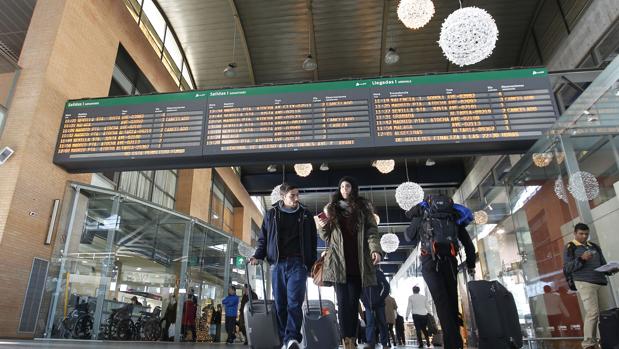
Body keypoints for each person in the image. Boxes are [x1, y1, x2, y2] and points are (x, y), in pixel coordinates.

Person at [316, 176, 383, 349]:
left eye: (348, 186)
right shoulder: (331, 209)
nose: (345, 189)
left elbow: (372, 231)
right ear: (339, 189)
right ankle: (347, 341)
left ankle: (351, 338)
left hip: (357, 263)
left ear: (353, 189)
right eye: (342, 186)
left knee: (353, 303)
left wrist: (375, 249)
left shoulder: (363, 209)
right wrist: (323, 225)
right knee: (342, 303)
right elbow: (326, 237)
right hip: (338, 263)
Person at [250, 183, 318, 349]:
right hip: (278, 265)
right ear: (282, 197)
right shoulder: (271, 214)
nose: (296, 199)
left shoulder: (306, 214)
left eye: (297, 195)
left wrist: (311, 264)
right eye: (292, 196)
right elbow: (263, 239)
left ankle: (292, 338)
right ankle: (284, 340)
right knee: (280, 304)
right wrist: (258, 255)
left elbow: (312, 241)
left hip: (298, 264)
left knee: (294, 302)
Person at [405, 195, 475, 349]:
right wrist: (471, 265)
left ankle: (454, 345)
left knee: (442, 303)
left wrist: (417, 221)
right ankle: (455, 344)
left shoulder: (423, 214)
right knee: (451, 303)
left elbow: (408, 237)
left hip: (430, 262)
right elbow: (469, 245)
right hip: (450, 261)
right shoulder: (452, 216)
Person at [563, 223, 616, 349]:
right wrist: (582, 259)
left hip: (600, 282)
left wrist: (611, 269)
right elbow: (567, 268)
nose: (584, 236)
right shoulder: (570, 247)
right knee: (592, 312)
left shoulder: (594, 246)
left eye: (586, 234)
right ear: (575, 233)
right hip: (584, 282)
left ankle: (606, 339)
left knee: (606, 313)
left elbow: (602, 264)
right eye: (581, 234)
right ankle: (588, 344)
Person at [361, 268, 390, 349]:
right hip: (368, 304)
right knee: (370, 323)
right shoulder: (363, 273)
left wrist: (380, 299)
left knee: (382, 323)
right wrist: (364, 300)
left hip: (379, 304)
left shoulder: (379, 273)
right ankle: (370, 344)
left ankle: (384, 344)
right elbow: (360, 289)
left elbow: (386, 287)